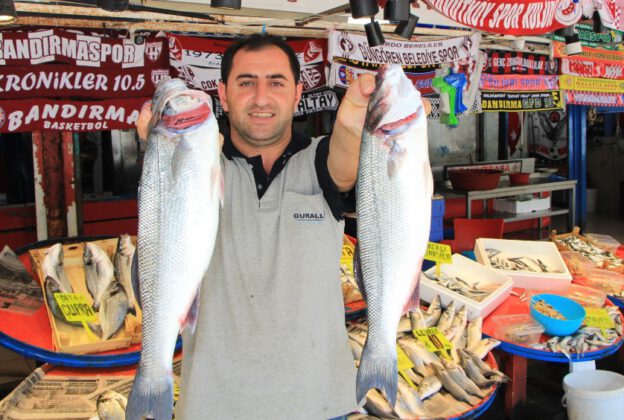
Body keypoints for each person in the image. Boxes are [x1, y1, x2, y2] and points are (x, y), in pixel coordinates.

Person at [136, 33, 430, 419]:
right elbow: (157, 256)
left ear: (297, 94)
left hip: (321, 405)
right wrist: (159, 153)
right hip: (213, 405)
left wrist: (355, 116)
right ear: (223, 95)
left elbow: (345, 153)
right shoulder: (197, 165)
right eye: (246, 83)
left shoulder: (321, 160)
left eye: (276, 82)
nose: (261, 98)